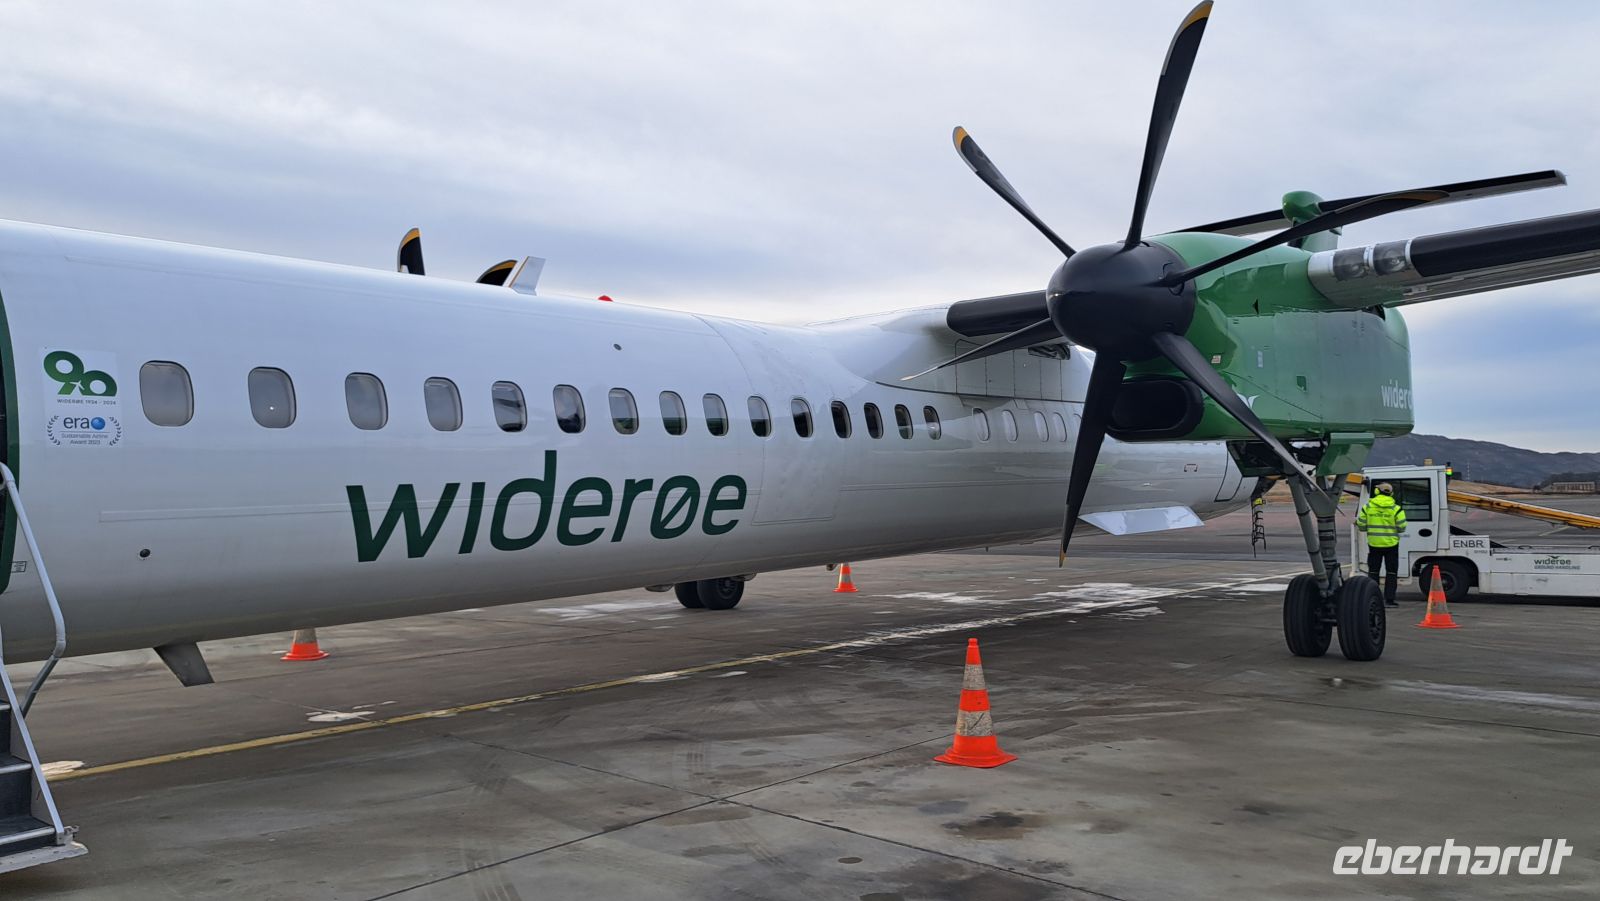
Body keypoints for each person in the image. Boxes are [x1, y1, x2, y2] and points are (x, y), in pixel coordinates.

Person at [1356, 482, 1408, 607]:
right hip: (1391, 545)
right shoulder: (1396, 509)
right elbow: (1402, 527)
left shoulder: (1367, 507)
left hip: (1374, 544)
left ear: (1377, 492)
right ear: (1391, 493)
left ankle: (1372, 598)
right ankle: (1389, 600)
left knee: (1373, 572)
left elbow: (1361, 524)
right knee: (1391, 573)